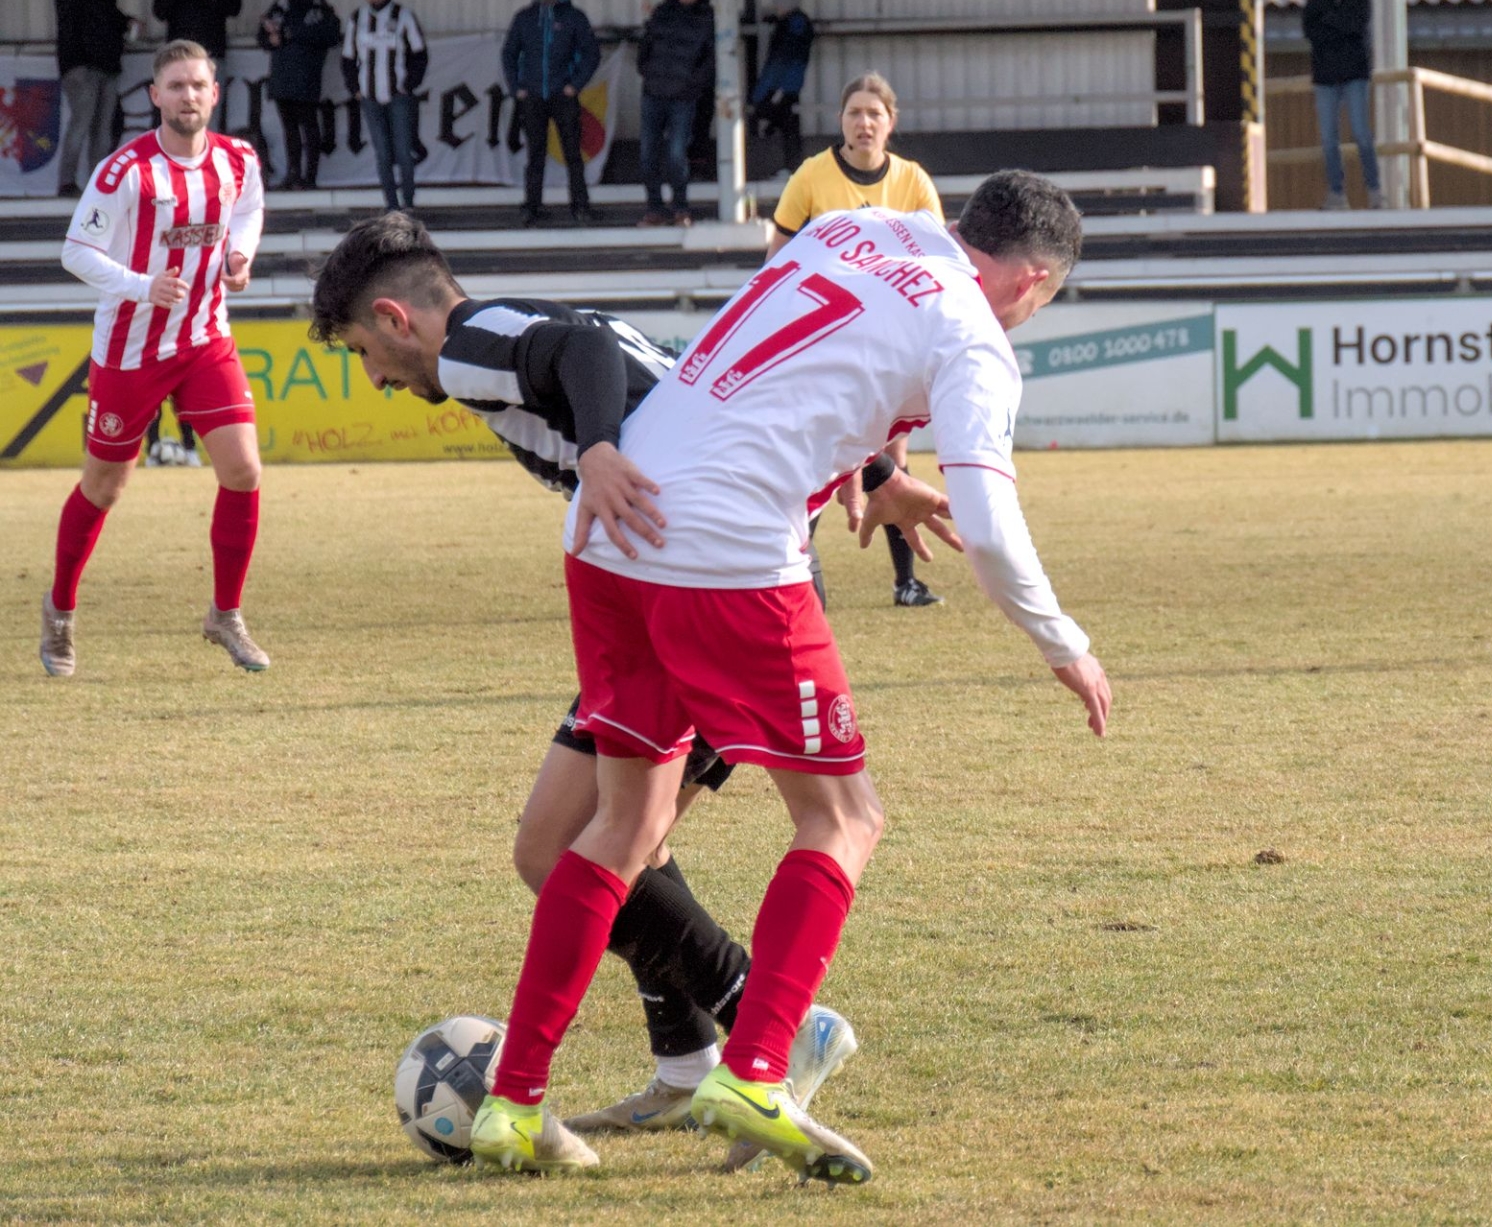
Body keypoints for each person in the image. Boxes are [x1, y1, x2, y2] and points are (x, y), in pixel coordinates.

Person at [463, 171, 1112, 1181]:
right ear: (1032, 280)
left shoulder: (856, 228)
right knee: (845, 817)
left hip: (614, 524)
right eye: (1042, 299)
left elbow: (803, 362)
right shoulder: (974, 335)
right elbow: (987, 524)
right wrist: (1061, 640)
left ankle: (512, 1104)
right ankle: (757, 1067)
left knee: (625, 826)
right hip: (726, 554)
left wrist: (874, 465)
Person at [305, 214, 959, 1171]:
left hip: (716, 588)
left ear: (396, 318)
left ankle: (771, 1024)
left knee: (610, 840)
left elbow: (592, 357)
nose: (374, 377)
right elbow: (705, 389)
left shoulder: (470, 347)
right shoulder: (511, 325)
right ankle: (689, 1061)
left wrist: (600, 447)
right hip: (677, 577)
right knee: (575, 843)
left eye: (364, 351)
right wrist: (877, 469)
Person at [43, 39, 269, 678]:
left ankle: (225, 614)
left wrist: (239, 255)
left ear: (214, 94)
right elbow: (75, 252)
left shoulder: (238, 160)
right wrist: (143, 286)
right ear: (155, 96)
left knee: (244, 471)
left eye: (198, 85)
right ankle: (60, 610)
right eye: (175, 86)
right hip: (130, 351)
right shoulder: (124, 171)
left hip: (204, 339)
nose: (188, 96)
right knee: (104, 487)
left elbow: (249, 210)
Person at [771, 71, 946, 609]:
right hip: (826, 338)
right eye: (854, 113)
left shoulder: (913, 181)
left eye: (874, 113)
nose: (864, 122)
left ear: (891, 122)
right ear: (840, 121)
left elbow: (938, 266)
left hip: (888, 340)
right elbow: (777, 261)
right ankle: (787, 576)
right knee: (819, 451)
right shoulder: (811, 175)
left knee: (892, 453)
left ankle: (906, 582)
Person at [503, 0, 600, 228]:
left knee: (573, 153)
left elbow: (591, 53)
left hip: (563, 94)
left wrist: (575, 84)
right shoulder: (524, 18)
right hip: (533, 96)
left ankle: (580, 205)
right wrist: (516, 87)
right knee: (535, 154)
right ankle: (532, 207)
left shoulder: (574, 17)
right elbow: (509, 53)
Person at [342, 0, 428, 214]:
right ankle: (391, 204)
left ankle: (408, 201)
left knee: (403, 149)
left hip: (398, 95)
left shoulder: (404, 16)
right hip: (370, 97)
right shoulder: (358, 18)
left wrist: (409, 85)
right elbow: (348, 58)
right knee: (382, 152)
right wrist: (355, 88)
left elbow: (420, 54)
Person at [636, 0, 715, 228]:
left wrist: (693, 84)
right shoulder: (660, 13)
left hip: (683, 97)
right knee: (648, 154)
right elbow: (645, 48)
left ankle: (680, 207)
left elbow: (711, 59)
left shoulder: (708, 17)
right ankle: (654, 208)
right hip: (653, 94)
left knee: (676, 154)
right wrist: (647, 73)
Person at [1302, 0, 1382, 211]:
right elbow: (1311, 33)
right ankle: (1336, 193)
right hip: (1325, 78)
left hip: (1355, 75)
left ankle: (1375, 191)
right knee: (1328, 138)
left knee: (1361, 133)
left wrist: (1329, 21)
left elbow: (1355, 25)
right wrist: (1339, 24)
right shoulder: (1315, 1)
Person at [54, 0, 136, 200]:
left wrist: (123, 23)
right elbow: (98, 20)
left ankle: (93, 183)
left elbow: (103, 18)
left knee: (99, 127)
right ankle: (71, 183)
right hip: (85, 63)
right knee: (86, 124)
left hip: (100, 63)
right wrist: (123, 24)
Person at [258, 0, 342, 192]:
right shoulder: (281, 3)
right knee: (289, 128)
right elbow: (263, 35)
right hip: (282, 74)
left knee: (309, 125)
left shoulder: (319, 5)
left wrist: (289, 33)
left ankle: (310, 176)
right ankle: (293, 174)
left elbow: (331, 34)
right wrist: (271, 39)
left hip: (306, 74)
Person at [749, 0, 814, 176]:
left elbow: (780, 61)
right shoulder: (797, 23)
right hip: (788, 84)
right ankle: (791, 167)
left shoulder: (790, 26)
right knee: (787, 124)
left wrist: (764, 91)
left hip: (782, 86)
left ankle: (789, 168)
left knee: (778, 123)